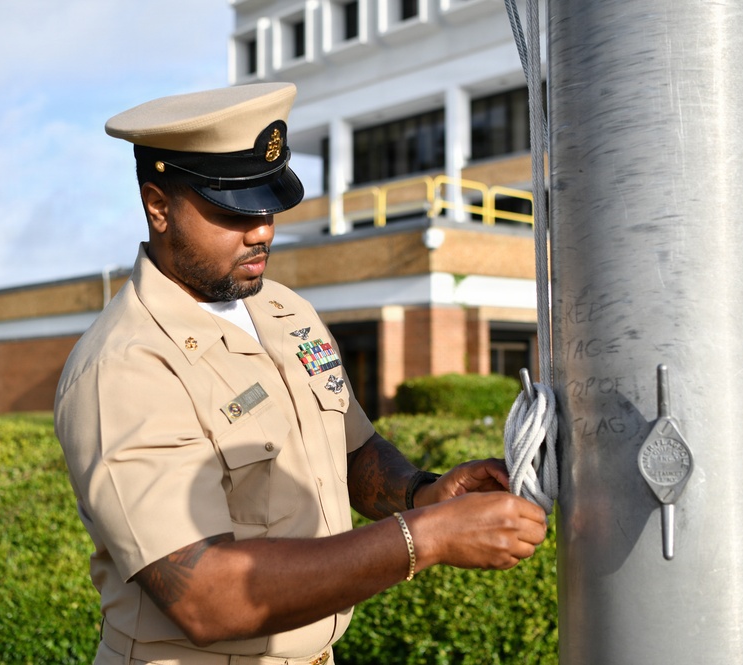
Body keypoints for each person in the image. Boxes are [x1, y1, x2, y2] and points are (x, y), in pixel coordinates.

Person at [54, 82, 548, 665]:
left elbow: (350, 449)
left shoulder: (284, 310)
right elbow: (206, 599)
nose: (261, 230)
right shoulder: (126, 366)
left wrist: (423, 494)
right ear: (158, 206)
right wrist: (427, 537)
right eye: (230, 209)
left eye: (267, 206)